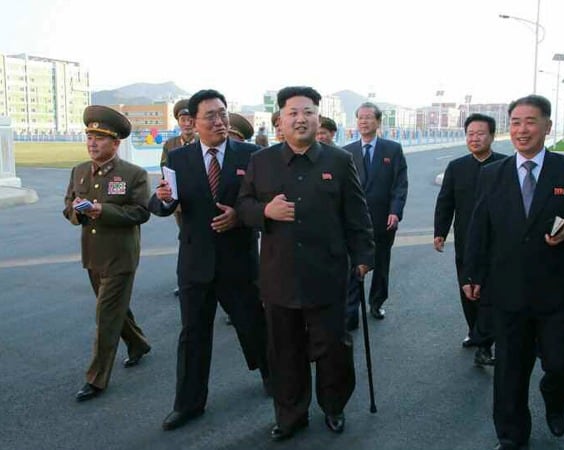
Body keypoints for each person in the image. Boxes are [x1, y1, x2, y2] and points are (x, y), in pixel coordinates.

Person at [236, 86, 375, 441]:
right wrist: (265, 211)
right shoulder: (261, 162)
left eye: (308, 112)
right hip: (279, 276)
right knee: (285, 353)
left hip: (327, 274)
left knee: (334, 349)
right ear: (280, 120)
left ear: (318, 117)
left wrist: (363, 257)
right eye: (293, 112)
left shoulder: (339, 161)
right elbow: (243, 207)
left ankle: (333, 406)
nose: (301, 118)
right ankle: (291, 414)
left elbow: (357, 215)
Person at [463, 95, 564, 450]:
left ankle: (556, 400)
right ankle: (511, 435)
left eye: (531, 121)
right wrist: (472, 276)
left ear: (548, 126)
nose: (523, 130)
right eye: (517, 122)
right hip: (507, 290)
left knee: (561, 364)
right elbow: (480, 228)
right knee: (509, 369)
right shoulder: (492, 174)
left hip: (556, 290)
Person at [149, 89, 269, 431]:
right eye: (210, 116)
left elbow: (265, 204)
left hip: (239, 260)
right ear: (194, 123)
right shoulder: (178, 159)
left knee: (253, 325)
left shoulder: (252, 155)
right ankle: (188, 404)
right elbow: (162, 205)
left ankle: (272, 378)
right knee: (193, 335)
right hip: (195, 262)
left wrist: (240, 217)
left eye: (222, 113)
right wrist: (164, 200)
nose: (219, 121)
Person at [63, 105, 151, 402]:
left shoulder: (133, 174)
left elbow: (141, 212)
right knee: (114, 309)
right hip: (93, 255)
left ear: (116, 143)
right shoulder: (78, 171)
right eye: (89, 136)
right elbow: (67, 207)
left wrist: (104, 210)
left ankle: (96, 378)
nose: (92, 143)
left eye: (100, 138)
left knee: (106, 316)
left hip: (120, 256)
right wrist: (77, 213)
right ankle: (138, 344)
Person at [433, 113, 506, 366]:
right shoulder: (457, 167)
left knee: (490, 291)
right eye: (470, 134)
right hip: (466, 240)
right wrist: (440, 232)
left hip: (498, 242)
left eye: (480, 134)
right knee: (467, 289)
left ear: (492, 136)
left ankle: (484, 343)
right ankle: (475, 331)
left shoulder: (505, 165)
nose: (474, 139)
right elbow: (446, 202)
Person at [344, 101, 408, 328]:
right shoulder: (347, 152)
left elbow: (400, 184)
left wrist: (395, 211)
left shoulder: (392, 149)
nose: (364, 121)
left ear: (378, 122)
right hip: (355, 222)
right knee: (353, 265)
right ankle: (351, 311)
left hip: (383, 219)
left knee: (381, 263)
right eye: (360, 117)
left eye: (369, 117)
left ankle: (376, 302)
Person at [160, 98, 197, 297]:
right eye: (183, 119)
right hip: (180, 203)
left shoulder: (203, 142)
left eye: (190, 118)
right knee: (185, 239)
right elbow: (165, 170)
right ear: (178, 122)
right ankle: (185, 280)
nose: (187, 122)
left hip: (200, 201)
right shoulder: (171, 144)